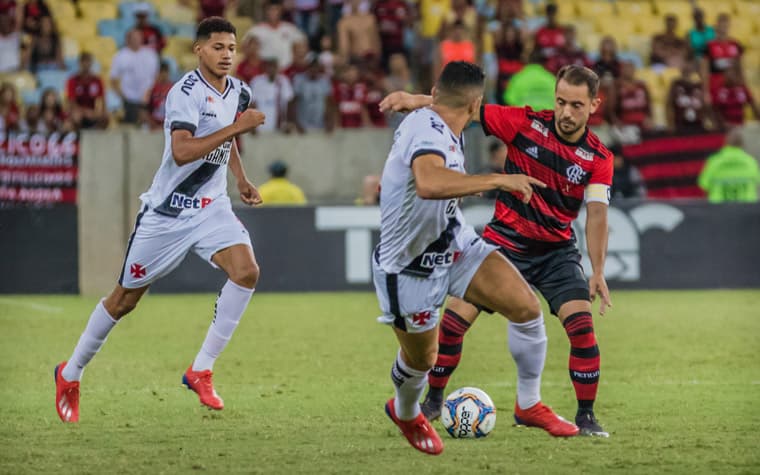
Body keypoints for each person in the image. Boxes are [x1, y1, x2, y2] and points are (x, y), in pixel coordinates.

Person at [381, 64, 615, 437]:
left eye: (576, 105)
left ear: (593, 105)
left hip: (556, 251)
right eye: (560, 102)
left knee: (581, 327)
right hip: (504, 239)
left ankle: (584, 416)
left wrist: (597, 270)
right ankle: (433, 401)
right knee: (454, 324)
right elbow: (461, 105)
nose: (566, 113)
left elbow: (598, 214)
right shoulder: (523, 123)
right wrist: (414, 100)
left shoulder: (598, 157)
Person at [53, 17, 267, 423]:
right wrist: (238, 127)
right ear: (199, 50)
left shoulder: (239, 91)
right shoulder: (183, 94)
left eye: (232, 49)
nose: (226, 55)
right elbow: (184, 151)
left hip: (211, 208)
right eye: (218, 47)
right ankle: (70, 372)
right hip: (167, 214)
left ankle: (201, 369)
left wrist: (240, 178)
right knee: (124, 300)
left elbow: (228, 139)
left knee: (246, 272)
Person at [110, 29, 160, 124]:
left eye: (138, 38)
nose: (136, 40)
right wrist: (123, 98)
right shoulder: (120, 56)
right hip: (128, 99)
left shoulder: (151, 55)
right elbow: (113, 80)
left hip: (149, 97)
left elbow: (156, 76)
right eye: (134, 38)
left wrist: (150, 93)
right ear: (127, 40)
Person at [698, 128, 760, 203]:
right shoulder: (751, 162)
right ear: (742, 144)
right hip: (746, 210)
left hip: (720, 210)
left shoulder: (714, 161)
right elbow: (757, 182)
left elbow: (704, 185)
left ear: (725, 143)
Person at [245, 1, 305, 71]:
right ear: (265, 11)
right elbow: (246, 47)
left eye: (276, 9)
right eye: (270, 10)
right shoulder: (256, 30)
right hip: (265, 71)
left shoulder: (290, 29)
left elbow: (303, 45)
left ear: (281, 11)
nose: (273, 12)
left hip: (287, 71)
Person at [250, 57, 294, 133]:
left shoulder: (284, 81)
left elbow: (290, 102)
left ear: (278, 67)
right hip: (261, 128)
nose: (272, 69)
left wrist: (289, 123)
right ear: (265, 67)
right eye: (269, 66)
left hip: (280, 128)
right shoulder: (257, 81)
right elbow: (252, 103)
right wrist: (252, 125)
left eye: (274, 66)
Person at [65, 52, 108, 129]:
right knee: (76, 116)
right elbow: (71, 101)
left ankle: (97, 136)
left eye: (88, 61)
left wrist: (98, 111)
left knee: (105, 116)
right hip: (78, 111)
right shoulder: (73, 80)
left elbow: (102, 99)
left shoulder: (97, 80)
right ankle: (78, 136)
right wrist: (85, 112)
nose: (86, 64)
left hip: (93, 111)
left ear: (91, 63)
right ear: (79, 63)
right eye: (84, 62)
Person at [711, 62, 759, 129]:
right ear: (724, 75)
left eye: (733, 73)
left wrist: (758, 120)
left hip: (741, 124)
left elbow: (753, 104)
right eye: (727, 73)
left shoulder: (742, 89)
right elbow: (715, 109)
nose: (730, 76)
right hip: (726, 126)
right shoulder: (720, 90)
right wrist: (722, 123)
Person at [292, 57, 333, 132]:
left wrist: (329, 121)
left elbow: (328, 103)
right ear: (307, 67)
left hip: (320, 126)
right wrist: (296, 123)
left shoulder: (325, 81)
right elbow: (293, 103)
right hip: (303, 127)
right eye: (311, 66)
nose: (314, 69)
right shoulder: (299, 80)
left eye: (316, 66)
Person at [667, 59, 707, 133]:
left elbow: (703, 105)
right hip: (680, 124)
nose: (687, 67)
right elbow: (669, 104)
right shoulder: (676, 84)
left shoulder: (698, 86)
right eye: (685, 65)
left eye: (689, 65)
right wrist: (670, 123)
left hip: (697, 124)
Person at [337, 0, 381, 64]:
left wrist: (377, 57)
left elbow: (376, 40)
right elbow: (344, 45)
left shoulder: (370, 19)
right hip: (355, 58)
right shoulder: (344, 22)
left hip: (371, 57)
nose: (354, 2)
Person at [145, 61, 173, 130]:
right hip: (154, 122)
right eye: (161, 72)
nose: (164, 75)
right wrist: (152, 123)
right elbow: (147, 107)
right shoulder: (153, 88)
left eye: (165, 72)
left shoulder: (173, 88)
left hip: (168, 123)